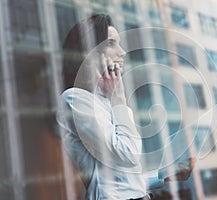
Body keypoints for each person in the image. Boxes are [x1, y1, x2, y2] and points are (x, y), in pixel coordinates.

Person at [56, 14, 194, 200]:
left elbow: (121, 181)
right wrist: (119, 100)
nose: (122, 52)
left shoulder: (105, 99)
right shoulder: (75, 99)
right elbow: (127, 154)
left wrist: (164, 175)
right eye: (112, 43)